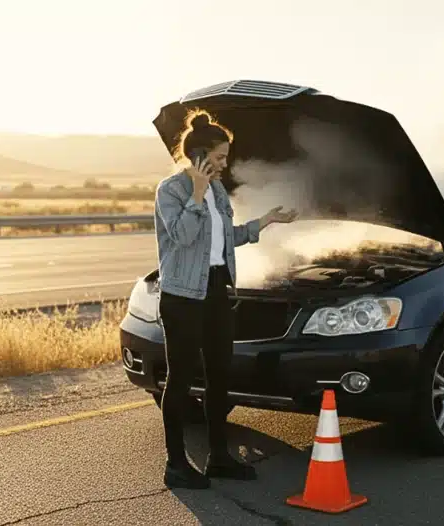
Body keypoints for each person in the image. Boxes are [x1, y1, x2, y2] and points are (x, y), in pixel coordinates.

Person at [153, 109, 298, 489]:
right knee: (181, 378)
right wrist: (197, 193)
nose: (224, 165)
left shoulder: (218, 190)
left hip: (217, 290)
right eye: (219, 158)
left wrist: (263, 222)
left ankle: (219, 457)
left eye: (226, 158)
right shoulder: (170, 190)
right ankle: (176, 465)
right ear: (198, 157)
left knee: (220, 376)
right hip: (183, 295)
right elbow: (183, 237)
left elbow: (223, 240)